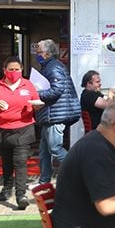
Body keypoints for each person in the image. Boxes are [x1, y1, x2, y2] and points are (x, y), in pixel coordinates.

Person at [0, 57, 43, 210]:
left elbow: (37, 102)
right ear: (4, 70)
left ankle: (21, 195)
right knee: (7, 162)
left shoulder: (28, 85)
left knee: (20, 161)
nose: (14, 72)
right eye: (11, 69)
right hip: (2, 131)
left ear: (21, 70)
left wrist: (37, 106)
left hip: (24, 129)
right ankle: (6, 189)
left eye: (17, 69)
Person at [35, 39, 81, 185]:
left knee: (55, 148)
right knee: (44, 152)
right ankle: (44, 182)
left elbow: (56, 90)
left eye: (39, 52)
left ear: (47, 54)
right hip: (50, 114)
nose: (37, 54)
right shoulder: (50, 66)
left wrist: (36, 93)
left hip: (55, 114)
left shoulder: (53, 66)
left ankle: (80, 173)